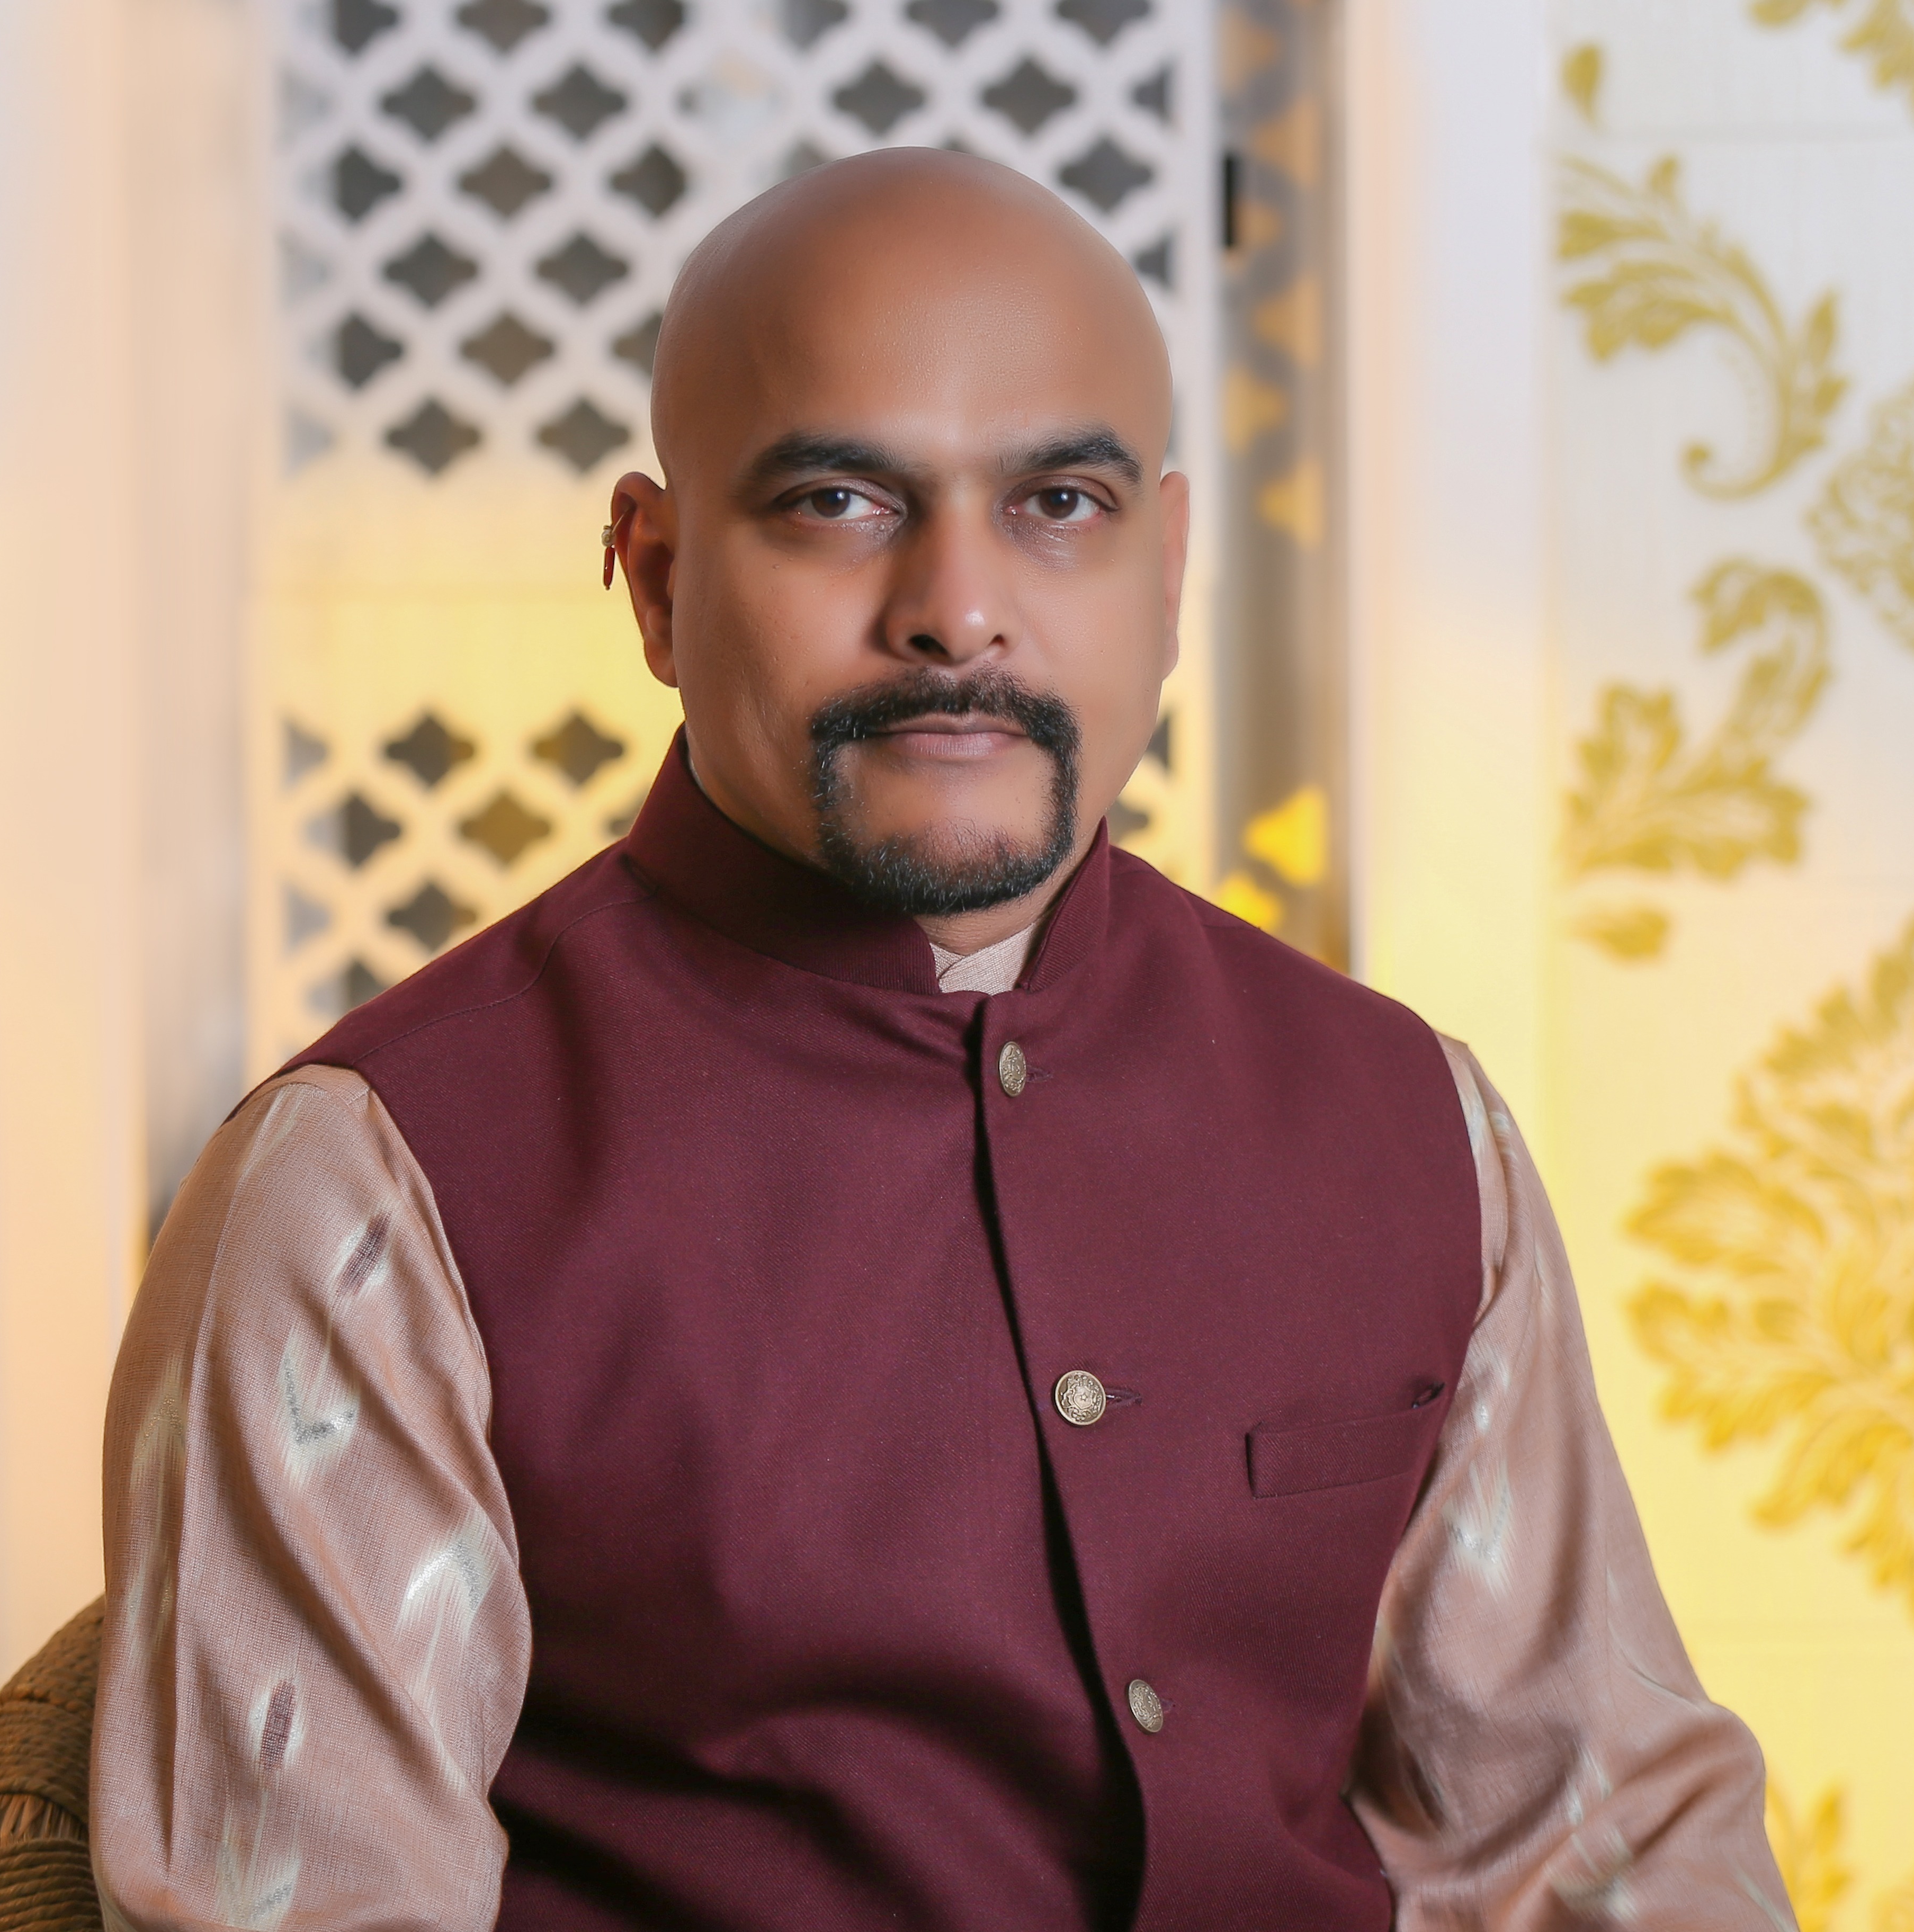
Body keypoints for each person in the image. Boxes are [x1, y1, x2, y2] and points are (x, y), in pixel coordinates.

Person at [92, 149, 1786, 1931]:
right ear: (657, 581)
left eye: (1059, 501)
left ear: (1168, 569)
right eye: (838, 499)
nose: (958, 607)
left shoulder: (1412, 1121)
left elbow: (1602, 1841)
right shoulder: (370, 1189)